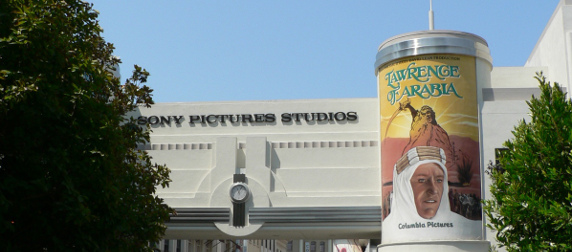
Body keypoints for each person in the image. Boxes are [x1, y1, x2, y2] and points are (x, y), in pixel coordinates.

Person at [382, 146, 481, 243]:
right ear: (404, 188)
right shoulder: (389, 227)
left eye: (439, 180)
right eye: (422, 180)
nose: (434, 190)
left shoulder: (470, 226)